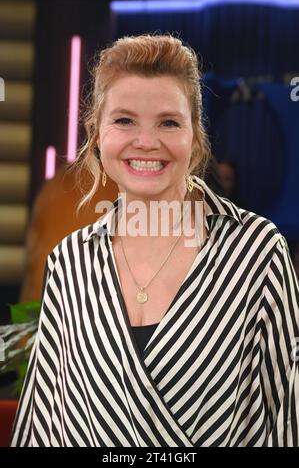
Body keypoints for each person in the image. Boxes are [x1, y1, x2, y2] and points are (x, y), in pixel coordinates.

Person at [11, 34, 299, 447]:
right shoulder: (69, 263)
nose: (147, 142)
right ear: (97, 134)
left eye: (168, 122)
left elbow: (284, 418)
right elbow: (44, 426)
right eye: (124, 120)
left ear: (196, 136)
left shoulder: (258, 252)